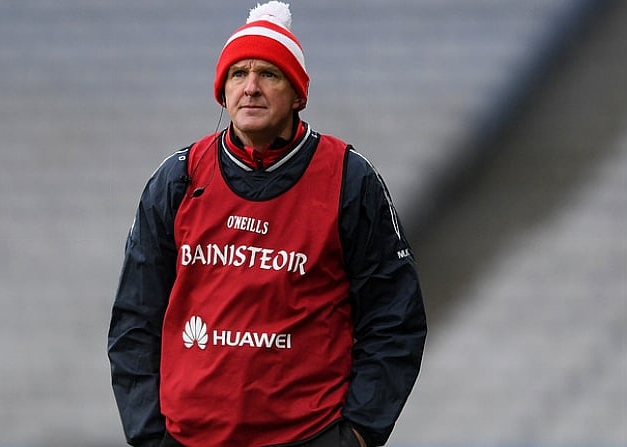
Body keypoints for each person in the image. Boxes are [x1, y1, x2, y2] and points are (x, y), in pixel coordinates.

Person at [108, 2, 427, 446]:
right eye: (238, 74)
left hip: (308, 435)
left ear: (297, 94)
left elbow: (395, 318)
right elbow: (135, 319)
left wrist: (357, 434)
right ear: (223, 92)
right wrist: (150, 436)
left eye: (269, 75)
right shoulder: (179, 179)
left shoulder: (348, 178)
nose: (251, 88)